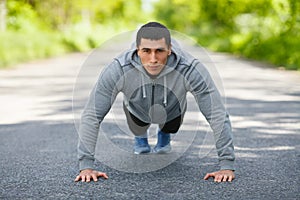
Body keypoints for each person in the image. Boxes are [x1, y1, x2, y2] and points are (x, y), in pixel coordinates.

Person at [75, 22, 235, 183]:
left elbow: (217, 114)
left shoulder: (189, 68)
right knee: (139, 125)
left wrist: (226, 165)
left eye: (159, 51)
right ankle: (140, 136)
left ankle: (164, 134)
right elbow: (92, 115)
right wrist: (86, 166)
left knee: (170, 126)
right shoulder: (119, 68)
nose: (153, 59)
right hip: (137, 110)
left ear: (169, 49)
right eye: (146, 51)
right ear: (137, 49)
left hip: (172, 110)